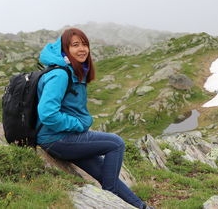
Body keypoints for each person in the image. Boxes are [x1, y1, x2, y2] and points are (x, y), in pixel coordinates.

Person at [36, 28, 154, 209]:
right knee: (116, 143)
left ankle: (141, 207)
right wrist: (77, 125)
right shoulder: (59, 74)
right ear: (65, 49)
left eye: (85, 44)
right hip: (57, 139)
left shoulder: (72, 70)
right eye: (75, 45)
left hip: (63, 138)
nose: (82, 49)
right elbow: (47, 114)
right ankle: (109, 200)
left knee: (103, 172)